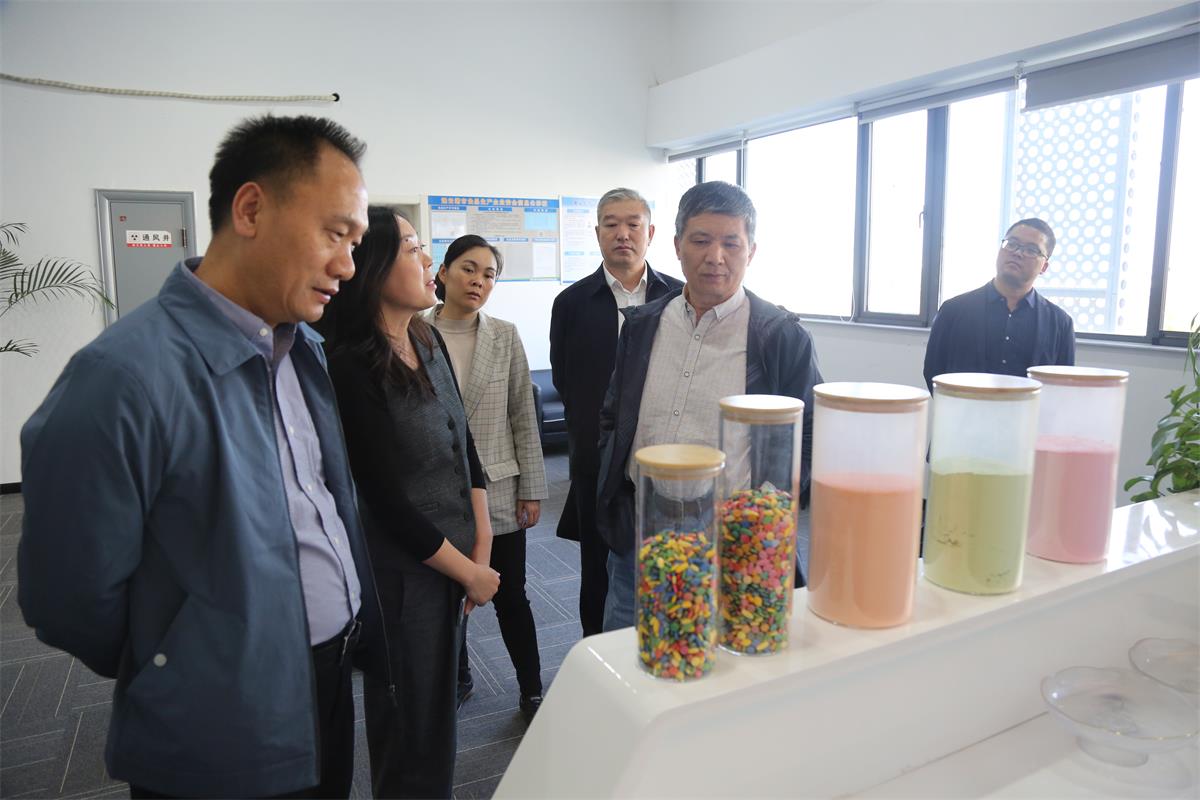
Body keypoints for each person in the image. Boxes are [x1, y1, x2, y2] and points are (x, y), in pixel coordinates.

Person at [18, 115, 386, 798]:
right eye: (335, 234)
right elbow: (67, 598)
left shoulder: (300, 348)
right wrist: (181, 658)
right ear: (250, 209)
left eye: (355, 243)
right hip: (219, 716)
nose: (347, 265)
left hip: (327, 680)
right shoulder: (121, 378)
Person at [318, 207, 499, 799]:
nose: (428, 261)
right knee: (408, 723)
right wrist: (468, 570)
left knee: (438, 714)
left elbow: (464, 443)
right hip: (405, 573)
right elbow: (383, 502)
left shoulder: (426, 336)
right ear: (372, 267)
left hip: (455, 560)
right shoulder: (351, 363)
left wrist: (482, 543)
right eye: (413, 248)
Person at [595, 181, 823, 631]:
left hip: (730, 530)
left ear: (751, 251)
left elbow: (812, 433)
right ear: (677, 246)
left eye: (731, 243)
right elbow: (613, 414)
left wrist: (764, 515)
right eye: (700, 241)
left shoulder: (780, 336)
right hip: (640, 522)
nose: (715, 257)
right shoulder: (642, 325)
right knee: (629, 644)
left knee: (727, 649)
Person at [425, 234, 549, 721]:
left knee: (510, 593)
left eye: (489, 274)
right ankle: (459, 678)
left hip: (498, 487)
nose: (478, 280)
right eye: (468, 268)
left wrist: (532, 488)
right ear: (443, 273)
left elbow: (522, 414)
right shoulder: (414, 330)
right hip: (436, 490)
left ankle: (531, 687)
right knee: (447, 594)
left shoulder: (504, 335)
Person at [549, 187, 682, 636]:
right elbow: (566, 381)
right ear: (598, 233)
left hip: (665, 457)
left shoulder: (677, 297)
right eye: (611, 224)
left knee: (669, 563)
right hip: (598, 461)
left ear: (651, 233)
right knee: (598, 568)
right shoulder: (572, 303)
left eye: (633, 224)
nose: (622, 233)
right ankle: (596, 654)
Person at [923, 218, 1075, 390]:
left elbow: (1062, 385)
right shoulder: (953, 310)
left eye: (1031, 250)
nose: (1017, 253)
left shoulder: (1060, 324)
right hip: (965, 406)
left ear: (1044, 267)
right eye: (1012, 244)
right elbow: (933, 372)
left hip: (1030, 408)